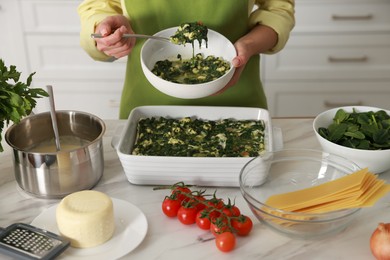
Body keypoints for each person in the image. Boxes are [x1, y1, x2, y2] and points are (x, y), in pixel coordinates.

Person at [78, 0, 295, 119]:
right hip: (148, 101)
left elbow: (278, 9)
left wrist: (247, 46)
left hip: (234, 92)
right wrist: (104, 31)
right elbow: (97, 6)